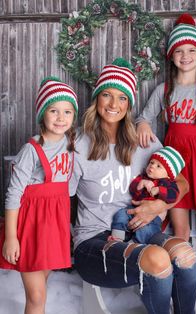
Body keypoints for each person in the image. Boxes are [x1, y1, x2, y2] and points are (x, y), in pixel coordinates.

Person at [71, 57, 196, 314]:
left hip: (140, 233)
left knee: (186, 256)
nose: (113, 104)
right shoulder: (77, 144)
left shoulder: (142, 141)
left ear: (128, 103)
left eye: (122, 98)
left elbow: (182, 181)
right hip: (93, 241)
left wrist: (158, 205)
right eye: (106, 94)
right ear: (97, 98)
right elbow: (59, 196)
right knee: (158, 258)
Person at [136, 13, 196, 306]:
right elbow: (144, 116)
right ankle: (181, 296)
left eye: (191, 50)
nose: (185, 56)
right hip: (175, 171)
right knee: (180, 232)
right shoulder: (165, 90)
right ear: (171, 56)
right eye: (179, 50)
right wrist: (143, 124)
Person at [0, 76, 78, 314]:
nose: (61, 118)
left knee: (41, 287)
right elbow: (13, 194)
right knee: (36, 296)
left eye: (67, 112)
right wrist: (11, 237)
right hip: (31, 227)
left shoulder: (70, 144)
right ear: (42, 113)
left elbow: (69, 187)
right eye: (54, 110)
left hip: (54, 227)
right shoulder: (31, 150)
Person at [109, 146, 185, 244]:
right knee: (121, 215)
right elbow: (132, 189)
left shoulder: (168, 183)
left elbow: (173, 195)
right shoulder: (143, 178)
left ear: (168, 175)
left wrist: (159, 190)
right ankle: (117, 239)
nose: (152, 166)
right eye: (151, 162)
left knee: (145, 230)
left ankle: (136, 244)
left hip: (153, 217)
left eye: (158, 166)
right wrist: (141, 184)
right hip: (134, 208)